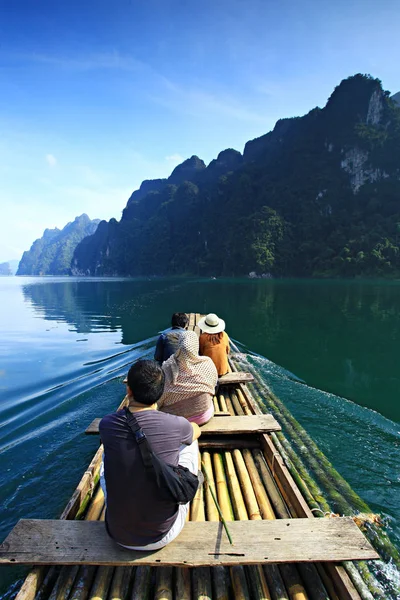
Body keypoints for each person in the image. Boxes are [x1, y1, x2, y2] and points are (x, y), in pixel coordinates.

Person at [99, 359, 201, 550]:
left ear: (128, 390)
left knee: (106, 456)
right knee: (191, 441)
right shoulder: (176, 424)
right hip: (162, 534)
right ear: (161, 392)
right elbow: (196, 431)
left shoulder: (106, 424)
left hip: (117, 534)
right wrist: (190, 428)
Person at [158, 330, 218, 425]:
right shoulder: (207, 362)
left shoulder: (168, 366)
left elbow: (159, 397)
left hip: (175, 421)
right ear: (196, 346)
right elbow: (214, 384)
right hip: (204, 415)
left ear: (179, 345)